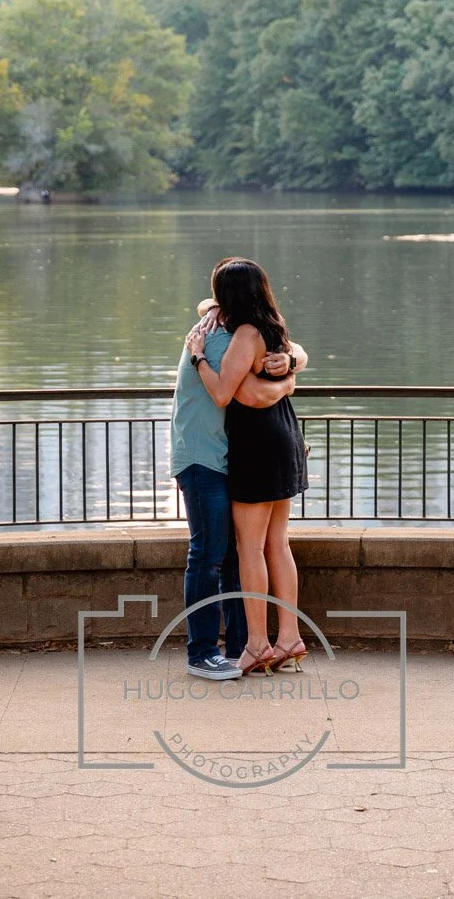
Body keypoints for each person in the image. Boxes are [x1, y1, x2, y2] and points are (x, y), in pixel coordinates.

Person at [186, 257, 309, 676]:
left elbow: (223, 393)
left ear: (229, 295)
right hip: (285, 435)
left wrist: (199, 357)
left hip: (256, 444)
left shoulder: (243, 334)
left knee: (250, 549)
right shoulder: (274, 323)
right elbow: (208, 307)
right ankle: (289, 637)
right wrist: (294, 364)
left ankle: (257, 644)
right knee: (278, 544)